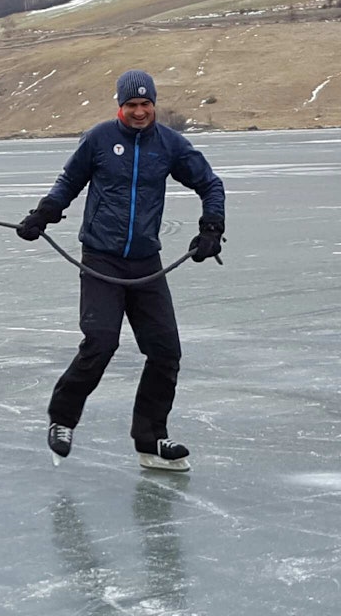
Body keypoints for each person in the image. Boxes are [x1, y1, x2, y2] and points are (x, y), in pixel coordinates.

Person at [16, 69, 225, 472]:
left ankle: (150, 439)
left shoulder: (169, 144)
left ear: (154, 105)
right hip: (101, 258)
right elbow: (68, 183)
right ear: (120, 106)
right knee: (100, 342)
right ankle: (62, 418)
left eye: (146, 104)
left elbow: (210, 184)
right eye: (132, 105)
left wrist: (211, 227)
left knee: (165, 352)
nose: (140, 111)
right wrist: (43, 214)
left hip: (146, 261)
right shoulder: (98, 140)